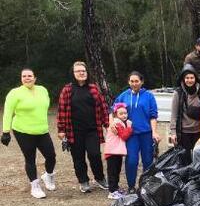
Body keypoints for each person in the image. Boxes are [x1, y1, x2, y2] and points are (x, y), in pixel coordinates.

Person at [1, 68, 56, 199]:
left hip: (42, 130)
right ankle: (35, 186)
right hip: (23, 131)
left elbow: (44, 107)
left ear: (35, 78)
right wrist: (5, 132)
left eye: (30, 76)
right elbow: (8, 112)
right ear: (21, 79)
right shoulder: (15, 93)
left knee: (51, 156)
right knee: (30, 158)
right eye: (24, 76)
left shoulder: (42, 90)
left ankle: (48, 176)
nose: (27, 78)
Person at [57, 61, 109, 193]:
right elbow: (61, 110)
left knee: (95, 154)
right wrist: (61, 129)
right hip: (74, 132)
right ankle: (83, 181)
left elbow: (103, 108)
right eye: (78, 71)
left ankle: (99, 178)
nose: (81, 73)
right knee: (78, 158)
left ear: (87, 73)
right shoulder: (67, 90)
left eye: (83, 71)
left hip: (93, 130)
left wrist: (107, 124)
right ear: (73, 74)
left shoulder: (94, 88)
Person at [112, 71, 160, 194]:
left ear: (141, 82)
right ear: (129, 82)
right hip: (130, 134)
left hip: (146, 134)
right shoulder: (123, 96)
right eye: (132, 81)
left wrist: (154, 132)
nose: (134, 83)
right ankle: (131, 186)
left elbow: (153, 116)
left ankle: (146, 185)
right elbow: (113, 110)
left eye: (136, 81)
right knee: (132, 160)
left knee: (148, 161)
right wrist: (112, 123)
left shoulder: (149, 96)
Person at [170, 64, 200, 164]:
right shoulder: (178, 93)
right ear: (183, 79)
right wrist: (173, 133)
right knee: (185, 159)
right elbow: (174, 114)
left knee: (199, 159)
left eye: (192, 77)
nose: (189, 80)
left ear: (195, 78)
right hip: (184, 133)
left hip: (199, 131)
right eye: (187, 78)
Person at [104, 103, 133, 199]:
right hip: (112, 152)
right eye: (121, 113)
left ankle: (115, 188)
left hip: (117, 152)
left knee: (117, 171)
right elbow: (124, 136)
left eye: (125, 113)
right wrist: (129, 128)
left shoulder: (121, 122)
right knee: (112, 172)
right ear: (116, 114)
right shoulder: (116, 123)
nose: (124, 115)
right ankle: (112, 191)